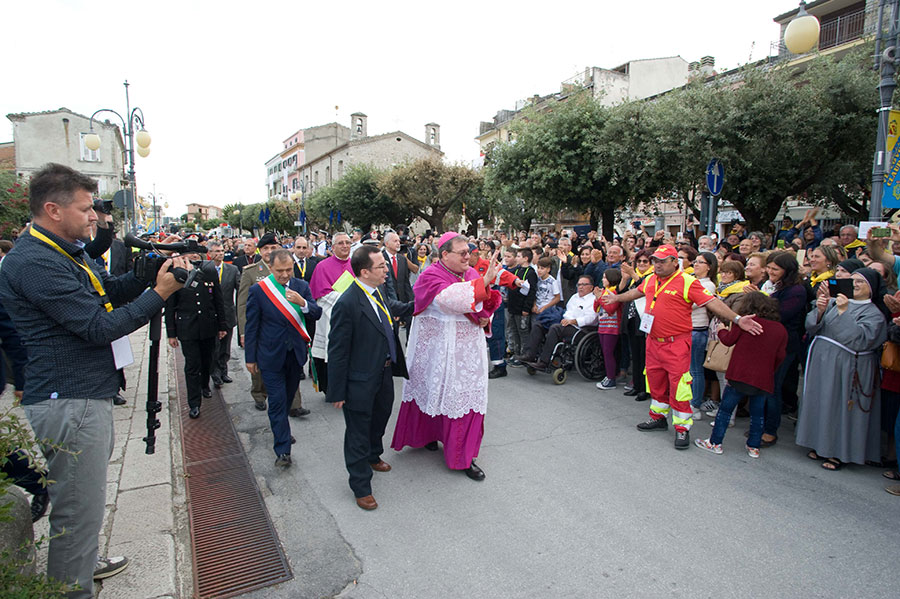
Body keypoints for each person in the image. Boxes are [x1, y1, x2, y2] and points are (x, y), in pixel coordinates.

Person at [0, 163, 186, 598]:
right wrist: (159, 294)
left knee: (84, 506)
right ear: (52, 209)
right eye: (85, 209)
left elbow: (106, 292)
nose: (94, 218)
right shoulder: (34, 262)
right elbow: (98, 326)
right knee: (76, 515)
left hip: (83, 393)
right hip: (68, 398)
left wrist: (145, 274)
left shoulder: (65, 250)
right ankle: (71, 590)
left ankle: (81, 569)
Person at [602, 245, 762, 449]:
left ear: (674, 262)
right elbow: (636, 291)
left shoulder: (688, 282)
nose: (657, 265)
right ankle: (658, 418)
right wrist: (617, 297)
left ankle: (682, 429)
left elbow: (712, 303)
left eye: (661, 261)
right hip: (653, 341)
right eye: (655, 261)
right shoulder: (651, 279)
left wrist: (737, 319)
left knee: (680, 389)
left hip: (676, 343)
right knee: (656, 383)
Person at [391, 234, 502, 480]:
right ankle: (428, 436)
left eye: (469, 252)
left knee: (460, 397)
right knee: (433, 390)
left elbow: (480, 303)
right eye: (461, 252)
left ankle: (463, 458)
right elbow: (447, 300)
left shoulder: (472, 274)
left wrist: (486, 316)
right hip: (436, 351)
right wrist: (484, 282)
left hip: (466, 353)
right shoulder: (431, 274)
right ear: (444, 255)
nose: (467, 256)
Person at [327, 246, 413, 510]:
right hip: (359, 380)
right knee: (357, 432)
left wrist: (423, 301)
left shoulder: (378, 293)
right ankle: (361, 485)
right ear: (365, 272)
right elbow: (338, 351)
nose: (386, 270)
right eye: (381, 267)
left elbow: (394, 310)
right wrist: (337, 391)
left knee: (380, 418)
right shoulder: (348, 303)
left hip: (383, 373)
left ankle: (373, 456)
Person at [797, 268, 887, 470]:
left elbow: (859, 340)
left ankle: (840, 452)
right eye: (852, 280)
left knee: (842, 408)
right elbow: (812, 326)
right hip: (824, 362)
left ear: (871, 289)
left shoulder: (873, 313)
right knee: (823, 402)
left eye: (860, 282)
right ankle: (819, 444)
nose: (854, 285)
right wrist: (820, 311)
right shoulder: (832, 302)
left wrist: (844, 312)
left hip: (849, 366)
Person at [244, 249, 321, 468]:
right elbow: (252, 326)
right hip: (270, 355)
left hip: (294, 354)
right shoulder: (259, 291)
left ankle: (282, 428)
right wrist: (251, 357)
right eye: (280, 271)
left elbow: (316, 313)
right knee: (277, 402)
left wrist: (303, 304)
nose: (285, 275)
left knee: (286, 400)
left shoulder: (301, 287)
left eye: (289, 269)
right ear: (270, 268)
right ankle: (283, 450)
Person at [695, 292, 787, 458]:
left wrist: (721, 330)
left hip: (739, 374)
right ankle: (753, 446)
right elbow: (780, 356)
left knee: (725, 410)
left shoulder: (746, 323)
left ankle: (715, 442)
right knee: (758, 414)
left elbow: (728, 340)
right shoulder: (780, 329)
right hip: (763, 378)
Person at [238, 233, 307, 415]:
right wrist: (244, 332)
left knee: (290, 372)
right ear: (260, 251)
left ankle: (294, 405)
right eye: (266, 248)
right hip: (263, 331)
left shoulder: (287, 267)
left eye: (273, 247)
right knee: (263, 371)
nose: (270, 251)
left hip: (289, 332)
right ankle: (259, 395)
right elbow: (243, 304)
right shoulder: (251, 272)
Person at [166, 252, 227, 418]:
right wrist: (171, 333)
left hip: (208, 325)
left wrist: (222, 325)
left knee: (208, 360)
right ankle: (194, 402)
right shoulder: (176, 273)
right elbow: (170, 306)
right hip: (188, 328)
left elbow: (218, 300)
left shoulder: (208, 271)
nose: (192, 256)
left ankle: (204, 385)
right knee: (192, 365)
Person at [308, 232, 354, 393]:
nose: (345, 246)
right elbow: (321, 295)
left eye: (348, 242)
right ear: (333, 247)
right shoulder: (322, 266)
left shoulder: (356, 264)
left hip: (352, 317)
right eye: (340, 243)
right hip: (329, 317)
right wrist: (348, 299)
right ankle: (332, 388)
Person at [525, 274, 598, 372]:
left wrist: (573, 321)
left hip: (580, 329)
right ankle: (530, 355)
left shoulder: (593, 300)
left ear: (591, 287)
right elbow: (568, 311)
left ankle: (544, 362)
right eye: (579, 284)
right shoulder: (575, 297)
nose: (581, 287)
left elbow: (591, 318)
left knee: (555, 328)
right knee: (539, 324)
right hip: (565, 323)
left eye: (584, 284)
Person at [688, 252, 718, 419]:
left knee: (695, 369)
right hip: (688, 328)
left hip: (698, 329)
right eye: (695, 261)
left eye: (701, 262)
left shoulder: (709, 285)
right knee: (689, 369)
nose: (696, 265)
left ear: (709, 266)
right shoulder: (693, 281)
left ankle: (695, 405)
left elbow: (691, 304)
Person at [206, 240, 239, 388]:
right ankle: (215, 373)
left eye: (221, 251)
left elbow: (240, 289)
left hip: (227, 313)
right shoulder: (205, 269)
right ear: (210, 254)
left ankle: (223, 370)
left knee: (225, 346)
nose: (220, 254)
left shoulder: (232, 270)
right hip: (211, 316)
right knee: (214, 346)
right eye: (217, 251)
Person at [506, 248, 538, 367]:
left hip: (522, 309)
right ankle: (517, 354)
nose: (517, 258)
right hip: (513, 307)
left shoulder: (530, 273)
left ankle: (524, 356)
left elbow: (531, 291)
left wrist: (526, 308)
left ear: (526, 258)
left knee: (523, 333)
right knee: (515, 332)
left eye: (519, 256)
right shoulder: (517, 270)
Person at [593, 269, 622, 390]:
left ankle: (611, 378)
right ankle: (608, 375)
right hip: (603, 326)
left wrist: (600, 298)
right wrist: (597, 298)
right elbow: (596, 309)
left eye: (605, 278)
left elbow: (610, 309)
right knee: (605, 352)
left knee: (608, 353)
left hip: (612, 327)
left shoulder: (614, 292)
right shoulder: (604, 291)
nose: (602, 280)